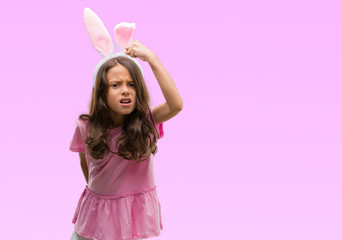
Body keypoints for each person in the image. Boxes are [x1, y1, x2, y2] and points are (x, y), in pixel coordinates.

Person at [69, 34, 183, 240]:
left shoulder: (146, 120)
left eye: (131, 85)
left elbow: (176, 105)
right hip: (94, 219)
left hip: (129, 220)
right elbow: (86, 165)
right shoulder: (85, 125)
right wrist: (105, 197)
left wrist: (151, 58)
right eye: (116, 85)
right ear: (101, 92)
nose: (125, 91)